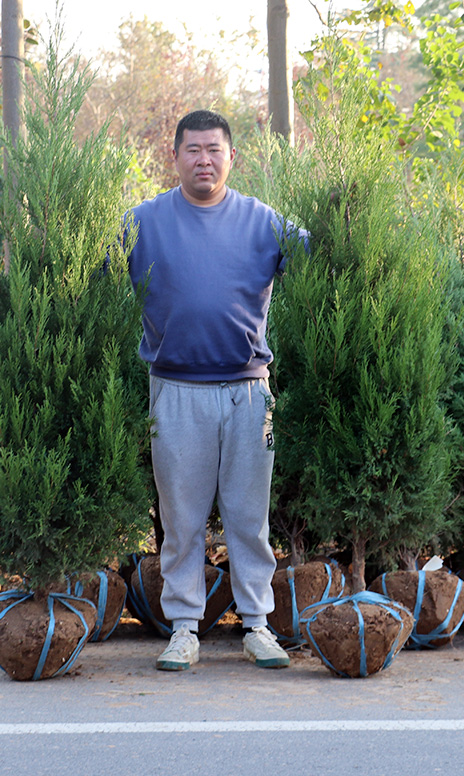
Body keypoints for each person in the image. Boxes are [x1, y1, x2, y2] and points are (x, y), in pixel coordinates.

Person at [126, 109, 307, 671]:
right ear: (174, 155)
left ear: (232, 157)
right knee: (180, 520)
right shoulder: (144, 221)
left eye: (214, 149)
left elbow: (326, 262)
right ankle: (184, 627)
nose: (204, 159)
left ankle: (258, 625)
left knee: (250, 517)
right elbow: (88, 272)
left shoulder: (264, 222)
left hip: (251, 392)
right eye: (193, 149)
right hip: (175, 389)